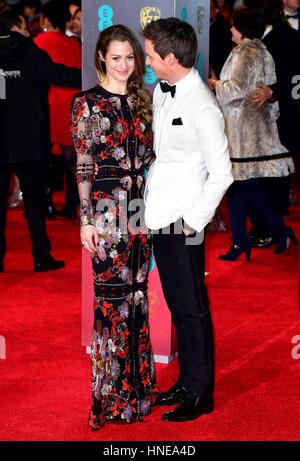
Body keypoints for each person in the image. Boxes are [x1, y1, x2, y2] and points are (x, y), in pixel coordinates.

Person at [142, 18, 233, 422]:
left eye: (149, 55)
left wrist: (194, 222)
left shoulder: (202, 104)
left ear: (170, 58)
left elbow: (223, 172)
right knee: (180, 308)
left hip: (184, 223)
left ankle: (200, 393)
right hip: (160, 214)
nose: (146, 61)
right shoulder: (163, 91)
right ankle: (186, 382)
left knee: (192, 309)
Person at [70, 24, 159, 430]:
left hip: (141, 210)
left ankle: (139, 393)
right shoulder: (86, 103)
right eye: (116, 57)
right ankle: (109, 398)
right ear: (102, 58)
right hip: (107, 213)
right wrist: (86, 219)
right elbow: (84, 165)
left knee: (138, 298)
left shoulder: (144, 98)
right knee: (109, 304)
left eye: (130, 57)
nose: (124, 65)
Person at [209, 8, 297, 260]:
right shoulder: (258, 51)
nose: (230, 30)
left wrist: (214, 84)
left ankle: (248, 240)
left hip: (244, 131)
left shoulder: (247, 52)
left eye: (234, 26)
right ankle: (270, 235)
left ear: (243, 29)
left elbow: (236, 87)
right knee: (244, 186)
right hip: (249, 129)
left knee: (240, 185)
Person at [0, 8, 81, 272]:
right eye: (24, 26)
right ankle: (40, 257)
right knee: (35, 204)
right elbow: (61, 75)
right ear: (15, 28)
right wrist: (97, 76)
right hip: (30, 141)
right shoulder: (32, 53)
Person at [35, 0, 81, 220]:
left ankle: (47, 205)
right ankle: (73, 202)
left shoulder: (40, 41)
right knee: (72, 155)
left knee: (43, 156)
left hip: (50, 102)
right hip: (73, 104)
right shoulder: (75, 43)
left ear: (46, 19)